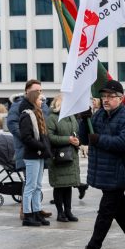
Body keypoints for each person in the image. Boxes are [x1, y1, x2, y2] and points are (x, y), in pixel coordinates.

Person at [73, 80, 125, 249]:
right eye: (103, 96)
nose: (105, 100)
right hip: (105, 171)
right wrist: (84, 119)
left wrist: (99, 140)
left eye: (110, 97)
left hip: (119, 171)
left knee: (105, 211)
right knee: (119, 210)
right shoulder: (98, 116)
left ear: (120, 99)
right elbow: (84, 138)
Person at [18, 81, 53, 227]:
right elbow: (26, 137)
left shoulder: (37, 113)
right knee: (30, 186)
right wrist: (41, 146)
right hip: (32, 155)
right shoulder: (27, 115)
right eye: (40, 99)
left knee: (38, 185)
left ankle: (37, 211)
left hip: (39, 154)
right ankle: (28, 214)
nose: (42, 102)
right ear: (33, 99)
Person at [46, 94, 81, 222]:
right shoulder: (52, 118)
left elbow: (76, 133)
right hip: (58, 157)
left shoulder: (71, 117)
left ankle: (68, 211)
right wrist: (68, 139)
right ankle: (60, 213)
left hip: (71, 156)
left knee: (68, 185)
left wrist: (77, 141)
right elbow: (49, 137)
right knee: (59, 186)